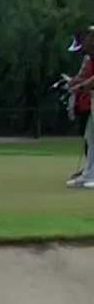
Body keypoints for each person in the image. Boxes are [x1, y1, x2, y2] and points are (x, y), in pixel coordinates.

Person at [65, 26, 94, 188]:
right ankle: (90, 173)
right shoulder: (90, 57)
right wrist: (77, 84)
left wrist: (80, 86)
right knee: (91, 137)